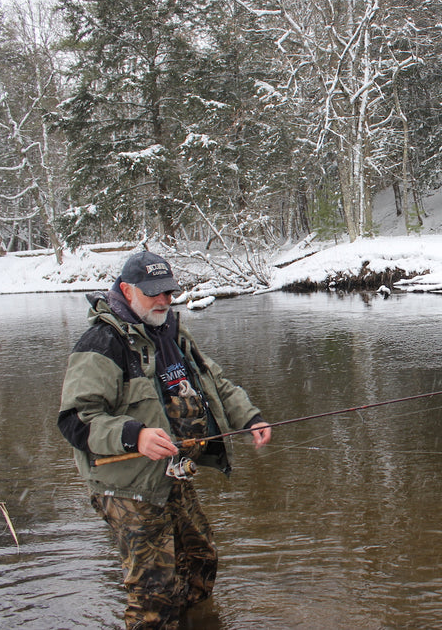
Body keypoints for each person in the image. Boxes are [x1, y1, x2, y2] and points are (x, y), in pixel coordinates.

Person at [58, 250, 271, 629]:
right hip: (125, 485)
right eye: (154, 292)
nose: (164, 300)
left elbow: (214, 382)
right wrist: (133, 435)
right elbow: (75, 420)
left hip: (171, 473)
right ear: (126, 290)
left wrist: (250, 417)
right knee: (154, 593)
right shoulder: (101, 344)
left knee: (200, 561)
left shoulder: (170, 331)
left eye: (169, 292)